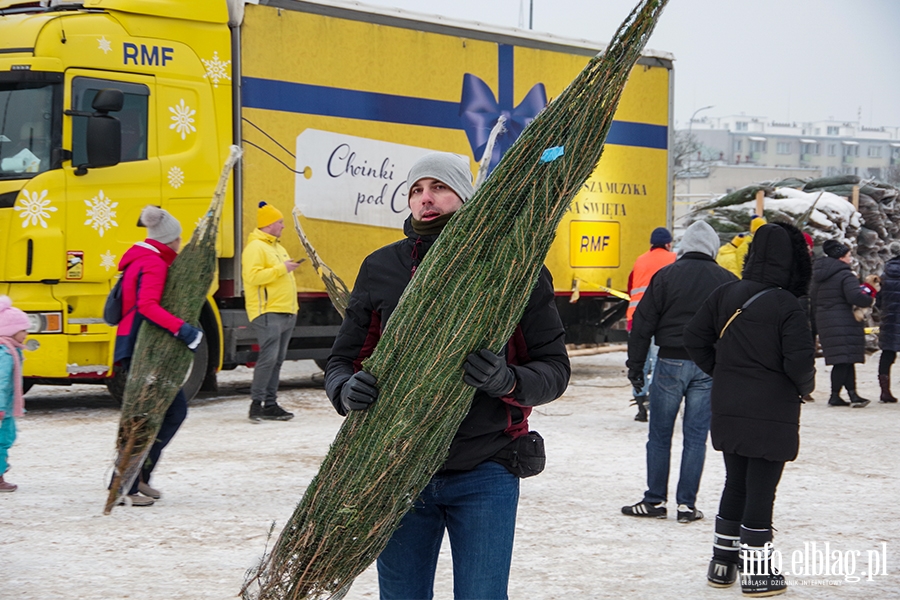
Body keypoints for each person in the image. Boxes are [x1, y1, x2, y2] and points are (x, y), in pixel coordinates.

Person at [324, 152, 570, 599]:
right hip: (395, 472)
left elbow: (554, 369)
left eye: (439, 186)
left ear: (467, 196)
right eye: (416, 190)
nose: (425, 198)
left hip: (485, 470)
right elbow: (342, 360)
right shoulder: (382, 268)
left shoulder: (515, 269)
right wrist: (344, 389)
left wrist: (508, 381)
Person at [684, 222, 815, 596]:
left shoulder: (726, 292)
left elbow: (694, 337)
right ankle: (758, 572)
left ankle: (722, 564)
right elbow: (800, 363)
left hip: (729, 403)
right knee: (761, 489)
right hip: (772, 408)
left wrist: (721, 371)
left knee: (735, 482)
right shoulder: (788, 304)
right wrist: (804, 388)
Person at [623, 221, 737, 523]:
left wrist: (635, 367)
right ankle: (687, 505)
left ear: (684, 246)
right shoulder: (727, 281)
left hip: (670, 362)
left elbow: (643, 323)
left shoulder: (666, 276)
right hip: (708, 366)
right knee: (695, 437)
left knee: (659, 434)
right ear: (712, 247)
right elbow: (736, 331)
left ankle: (654, 501)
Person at [113, 206, 203, 506]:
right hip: (143, 351)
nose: (179, 244)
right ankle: (130, 483)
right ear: (168, 239)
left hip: (133, 346)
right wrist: (184, 331)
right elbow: (147, 306)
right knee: (165, 413)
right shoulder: (154, 263)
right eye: (177, 239)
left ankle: (137, 478)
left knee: (153, 414)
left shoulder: (139, 259)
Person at [242, 201, 302, 422]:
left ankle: (270, 403)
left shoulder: (276, 247)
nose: (283, 226)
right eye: (280, 222)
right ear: (268, 224)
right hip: (268, 312)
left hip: (286, 311)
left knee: (277, 360)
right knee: (268, 359)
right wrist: (282, 269)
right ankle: (256, 405)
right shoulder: (256, 248)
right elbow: (253, 277)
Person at [810, 239, 875, 408]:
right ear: (840, 258)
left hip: (825, 320)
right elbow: (856, 297)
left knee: (844, 359)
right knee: (844, 359)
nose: (850, 259)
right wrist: (870, 297)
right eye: (848, 256)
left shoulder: (819, 276)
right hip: (844, 320)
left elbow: (814, 299)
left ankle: (847, 395)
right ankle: (842, 395)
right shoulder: (845, 275)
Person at [626, 226, 676, 422]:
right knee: (657, 363)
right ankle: (655, 402)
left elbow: (630, 286)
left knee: (639, 362)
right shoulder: (673, 259)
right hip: (661, 320)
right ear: (667, 243)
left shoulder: (640, 260)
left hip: (635, 318)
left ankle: (640, 404)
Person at [0, 295, 30, 493]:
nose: (26, 334)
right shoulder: (5, 353)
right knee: (2, 440)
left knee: (7, 438)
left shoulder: (11, 350)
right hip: (3, 408)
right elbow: (1, 383)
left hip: (7, 407)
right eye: (23, 330)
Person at [876, 242, 900, 403]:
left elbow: (878, 299)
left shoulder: (885, 272)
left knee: (887, 353)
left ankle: (885, 391)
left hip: (890, 318)